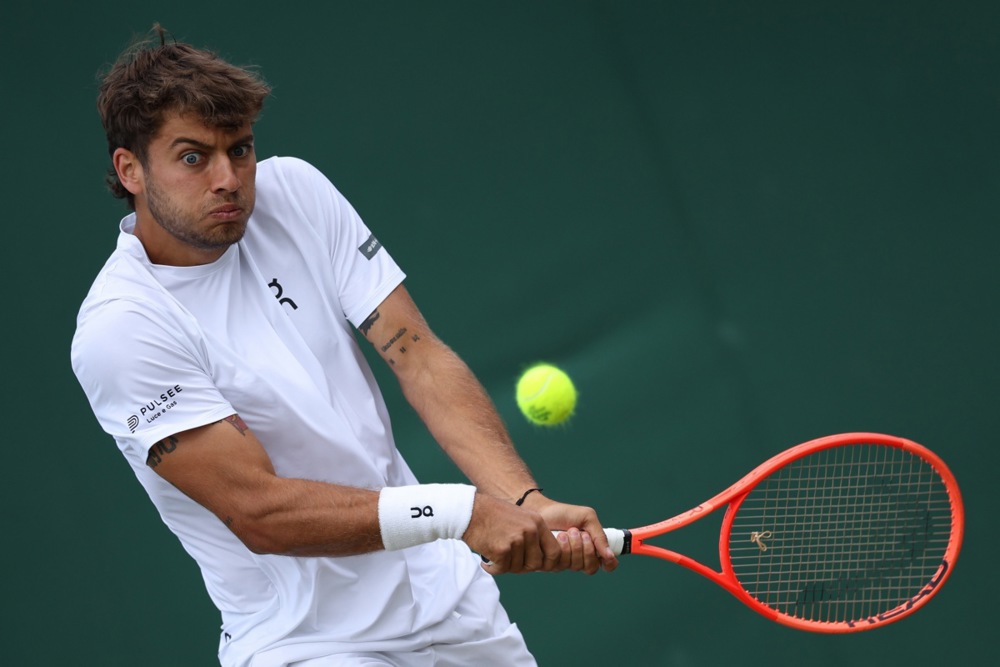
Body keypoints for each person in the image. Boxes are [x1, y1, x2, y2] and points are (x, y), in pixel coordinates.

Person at [71, 25, 618, 667]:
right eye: (193, 157)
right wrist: (460, 511)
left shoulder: (296, 192)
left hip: (454, 605)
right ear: (129, 169)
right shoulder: (121, 328)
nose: (228, 179)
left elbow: (417, 354)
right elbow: (260, 514)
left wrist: (525, 501)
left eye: (240, 150)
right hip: (310, 646)